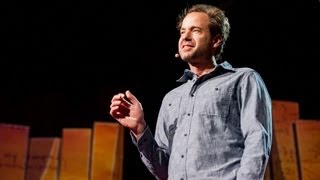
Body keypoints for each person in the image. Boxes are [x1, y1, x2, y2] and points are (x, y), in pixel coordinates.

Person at [110, 3, 272, 180]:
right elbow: (163, 171)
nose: (185, 37)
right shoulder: (171, 98)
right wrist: (140, 129)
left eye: (195, 30)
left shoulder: (243, 79)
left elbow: (257, 142)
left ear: (216, 40)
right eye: (182, 32)